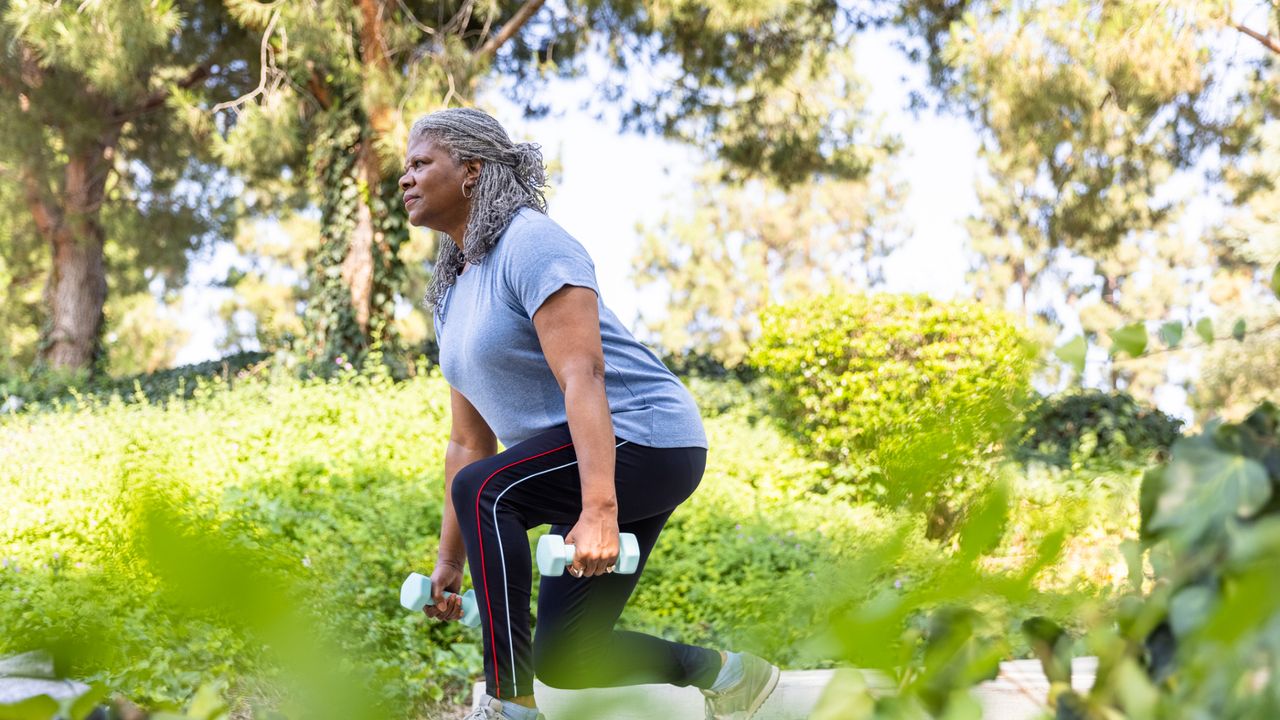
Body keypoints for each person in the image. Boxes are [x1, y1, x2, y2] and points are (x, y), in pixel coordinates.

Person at [399, 107, 781, 720]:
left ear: (471, 170)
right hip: (580, 457)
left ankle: (508, 702)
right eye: (406, 167)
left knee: (489, 493)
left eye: (421, 163)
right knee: (569, 656)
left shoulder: (532, 243)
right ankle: (730, 674)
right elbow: (469, 442)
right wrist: (450, 562)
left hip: (644, 437)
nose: (406, 178)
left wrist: (599, 507)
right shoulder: (453, 290)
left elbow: (586, 374)